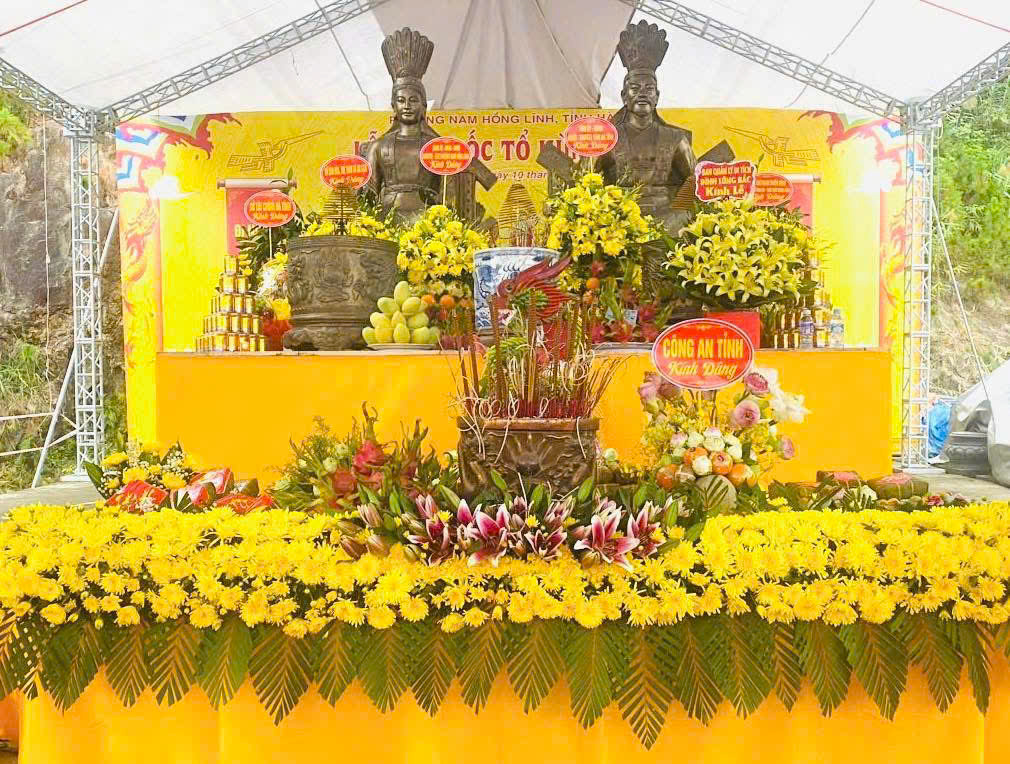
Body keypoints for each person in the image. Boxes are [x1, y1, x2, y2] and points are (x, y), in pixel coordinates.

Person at [599, 20, 697, 233]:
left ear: (657, 96)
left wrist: (680, 213)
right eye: (635, 88)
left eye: (649, 88)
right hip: (618, 226)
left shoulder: (676, 139)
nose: (642, 93)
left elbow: (694, 181)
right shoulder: (607, 140)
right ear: (624, 96)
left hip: (669, 224)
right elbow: (585, 183)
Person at [358, 28, 441, 222]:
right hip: (386, 217)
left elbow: (447, 192)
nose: (407, 106)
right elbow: (368, 196)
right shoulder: (379, 146)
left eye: (413, 100)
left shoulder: (436, 146)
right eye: (401, 100)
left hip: (429, 219)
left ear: (423, 106)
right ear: (393, 106)